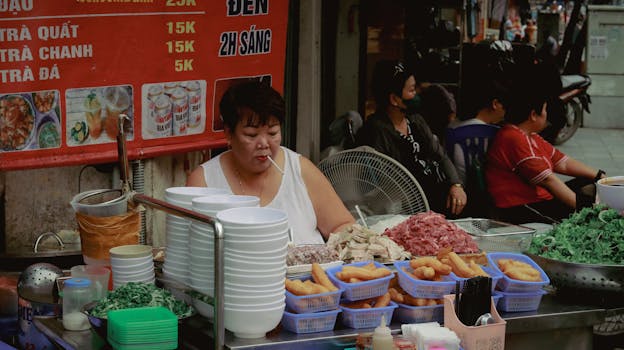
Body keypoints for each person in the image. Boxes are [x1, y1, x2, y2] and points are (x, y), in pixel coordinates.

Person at [186, 81, 355, 244]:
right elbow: (189, 247)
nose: (264, 144)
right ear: (229, 133)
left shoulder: (300, 170)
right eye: (251, 135)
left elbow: (343, 226)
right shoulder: (204, 181)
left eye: (273, 133)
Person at [485, 70, 605, 224]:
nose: (547, 114)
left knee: (589, 183)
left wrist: (600, 177)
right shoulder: (513, 137)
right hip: (520, 207)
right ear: (533, 115)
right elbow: (549, 180)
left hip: (540, 198)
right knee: (582, 215)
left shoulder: (531, 136)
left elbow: (563, 162)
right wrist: (584, 209)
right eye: (545, 110)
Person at [356, 60, 467, 216]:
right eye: (411, 90)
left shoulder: (415, 120)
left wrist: (456, 185)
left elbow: (440, 155)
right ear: (394, 99)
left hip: (435, 201)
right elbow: (382, 184)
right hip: (404, 210)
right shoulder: (375, 131)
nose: (416, 95)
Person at [449, 78, 508, 183]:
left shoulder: (452, 127)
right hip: (484, 193)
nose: (504, 113)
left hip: (455, 189)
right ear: (495, 104)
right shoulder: (495, 134)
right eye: (504, 107)